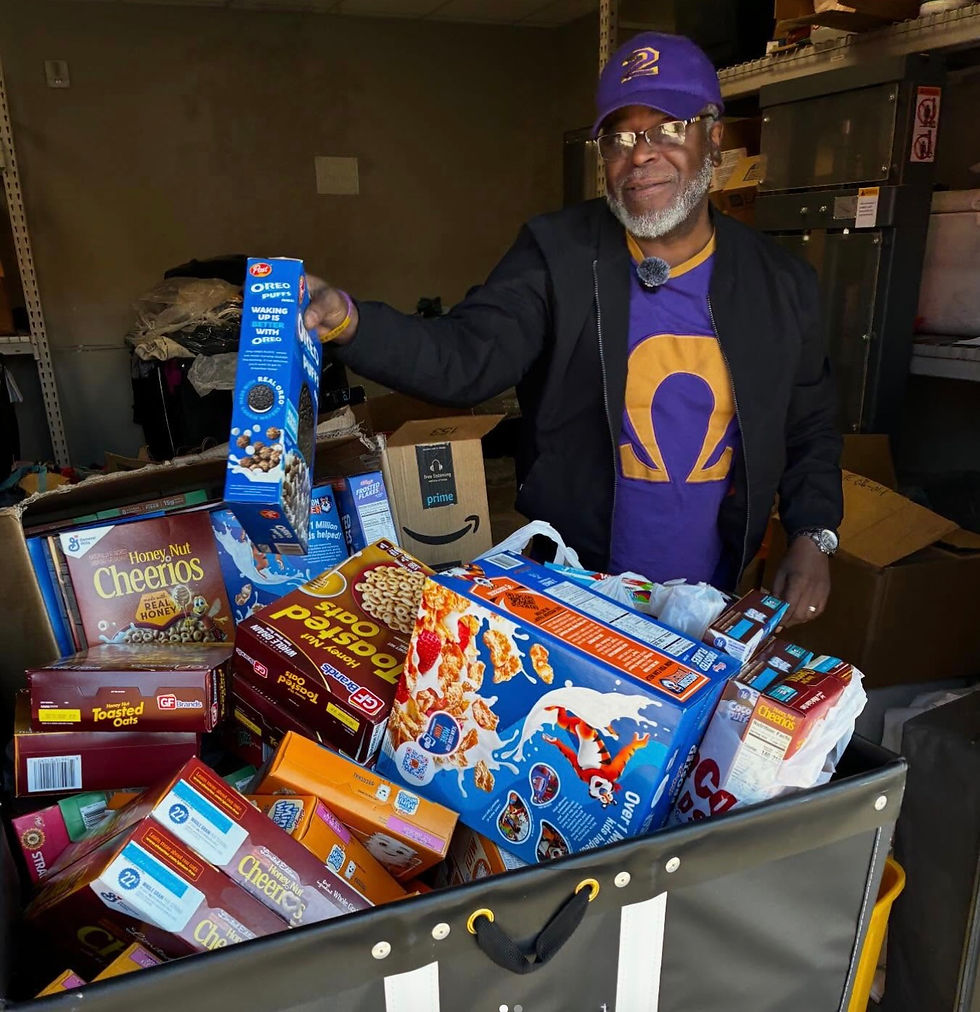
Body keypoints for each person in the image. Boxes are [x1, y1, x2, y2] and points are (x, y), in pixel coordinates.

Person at [304, 31, 843, 627]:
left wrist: (813, 532)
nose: (640, 154)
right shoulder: (557, 254)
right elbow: (465, 358)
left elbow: (810, 418)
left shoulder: (779, 284)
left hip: (710, 598)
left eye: (666, 127)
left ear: (713, 136)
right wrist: (349, 320)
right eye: (618, 137)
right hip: (571, 591)